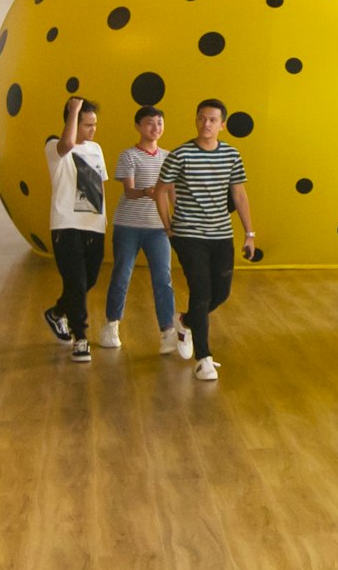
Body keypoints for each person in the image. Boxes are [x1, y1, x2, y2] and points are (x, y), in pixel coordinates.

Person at [160, 96, 254, 382]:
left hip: (221, 234)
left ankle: (185, 321)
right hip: (189, 235)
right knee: (200, 292)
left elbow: (239, 194)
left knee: (220, 293)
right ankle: (204, 358)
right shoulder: (180, 154)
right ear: (196, 120)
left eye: (213, 119)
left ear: (222, 125)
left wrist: (249, 233)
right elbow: (160, 190)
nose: (206, 124)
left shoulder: (231, 155)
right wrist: (169, 228)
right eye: (201, 118)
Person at [105, 103, 181, 354]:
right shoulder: (129, 155)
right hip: (128, 225)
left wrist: (176, 221)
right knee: (122, 275)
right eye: (150, 122)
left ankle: (167, 331)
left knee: (163, 278)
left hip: (158, 228)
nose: (155, 127)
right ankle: (112, 324)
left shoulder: (168, 157)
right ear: (138, 126)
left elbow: (172, 192)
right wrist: (148, 192)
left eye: (159, 122)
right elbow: (129, 190)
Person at [41, 96, 110, 360]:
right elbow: (67, 142)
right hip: (66, 224)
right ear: (73, 122)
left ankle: (57, 312)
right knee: (76, 281)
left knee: (88, 280)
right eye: (87, 124)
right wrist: (74, 109)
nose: (92, 129)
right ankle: (80, 337)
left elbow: (99, 184)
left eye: (94, 124)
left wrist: (103, 218)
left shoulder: (96, 149)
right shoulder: (54, 146)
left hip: (93, 226)